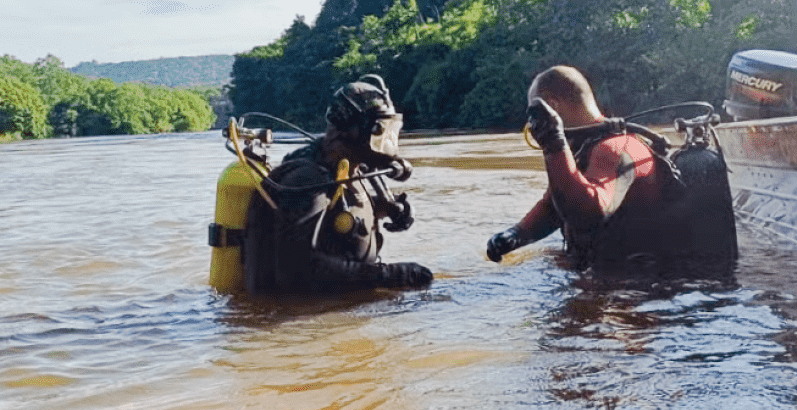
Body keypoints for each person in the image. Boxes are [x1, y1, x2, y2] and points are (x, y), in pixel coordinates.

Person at [487, 65, 735, 276]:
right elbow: (554, 206)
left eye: (535, 113)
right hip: (606, 277)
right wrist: (517, 234)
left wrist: (553, 145)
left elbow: (590, 211)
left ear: (552, 107)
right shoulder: (588, 149)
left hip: (633, 296)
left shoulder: (616, 149)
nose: (531, 124)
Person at [243, 75, 433, 294]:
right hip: (302, 322)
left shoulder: (349, 170)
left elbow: (336, 218)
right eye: (378, 130)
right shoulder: (307, 181)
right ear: (350, 130)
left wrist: (382, 208)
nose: (385, 140)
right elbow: (297, 271)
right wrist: (389, 276)